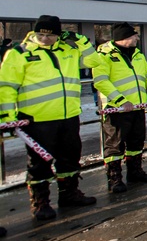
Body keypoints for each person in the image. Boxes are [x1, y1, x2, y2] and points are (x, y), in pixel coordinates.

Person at [0, 15, 101, 220]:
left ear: (58, 35)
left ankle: (69, 194)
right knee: (39, 163)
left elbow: (94, 60)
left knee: (70, 157)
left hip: (69, 115)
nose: (44, 39)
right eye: (40, 34)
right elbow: (7, 86)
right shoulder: (19, 54)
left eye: (50, 35)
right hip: (37, 119)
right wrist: (7, 116)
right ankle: (40, 203)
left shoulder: (69, 51)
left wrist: (80, 40)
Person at [94, 23, 147, 192]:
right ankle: (114, 178)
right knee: (115, 145)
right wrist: (120, 100)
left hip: (137, 107)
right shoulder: (104, 55)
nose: (137, 38)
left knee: (136, 142)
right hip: (116, 109)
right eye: (134, 36)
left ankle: (135, 171)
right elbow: (101, 81)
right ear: (124, 37)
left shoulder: (138, 55)